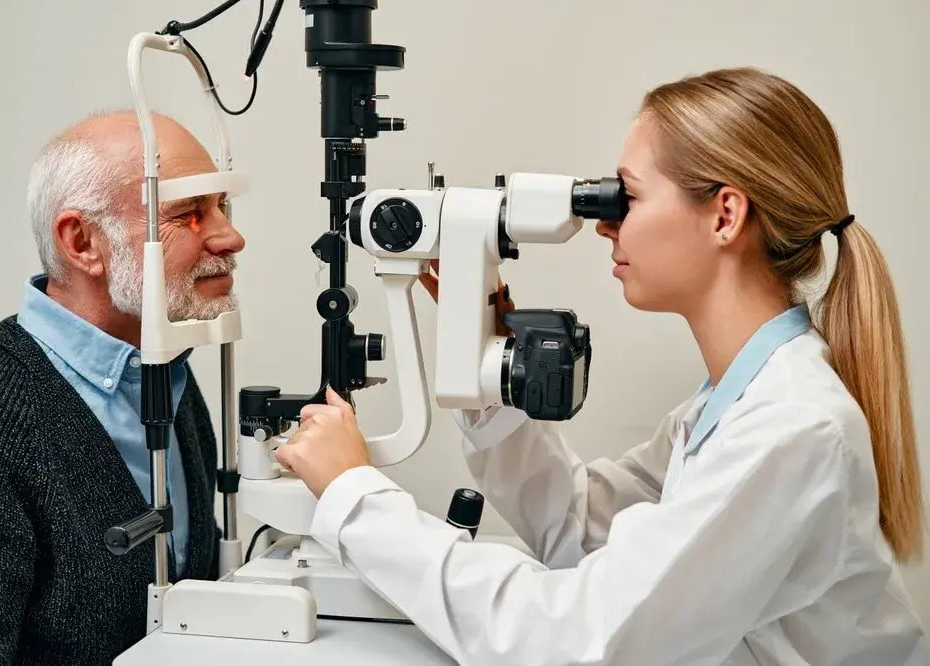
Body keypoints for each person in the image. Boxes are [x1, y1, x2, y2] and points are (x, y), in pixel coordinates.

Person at [274, 67, 930, 665]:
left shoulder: (791, 428)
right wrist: (480, 349)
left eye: (627, 199)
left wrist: (356, 499)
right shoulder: (730, 403)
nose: (603, 226)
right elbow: (584, 529)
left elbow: (579, 640)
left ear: (725, 215)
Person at [0, 110, 246, 664]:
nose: (230, 236)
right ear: (82, 243)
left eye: (222, 207)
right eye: (190, 214)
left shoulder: (165, 367)